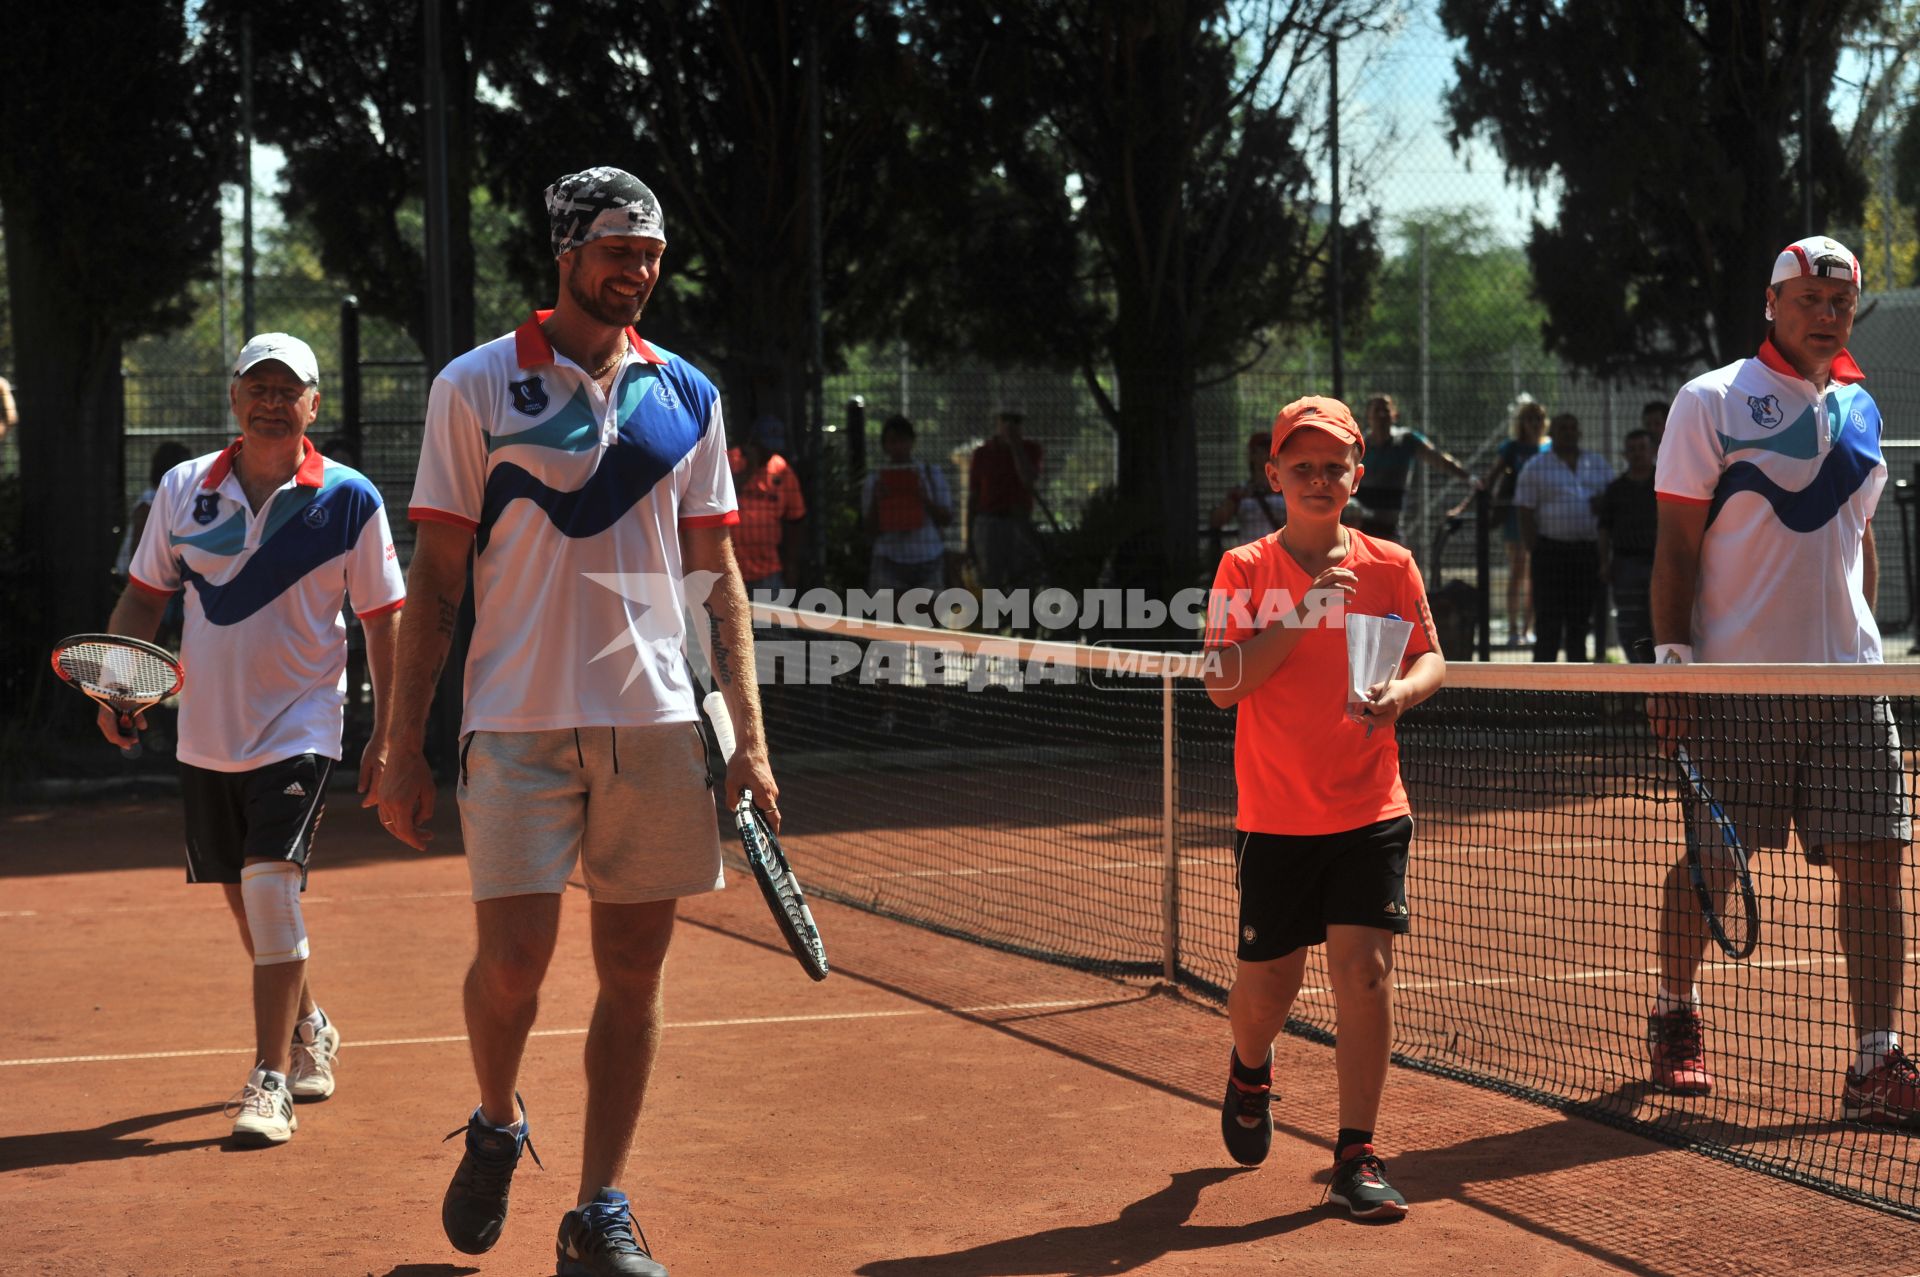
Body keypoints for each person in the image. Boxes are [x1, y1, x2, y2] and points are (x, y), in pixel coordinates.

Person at [374, 166, 778, 1277]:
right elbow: (439, 572)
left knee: (635, 971)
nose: (637, 270)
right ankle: (498, 1118)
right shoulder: (477, 386)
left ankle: (599, 1206)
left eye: (649, 252)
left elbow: (718, 568)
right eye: (616, 250)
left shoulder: (688, 391)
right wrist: (400, 739)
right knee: (513, 961)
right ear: (565, 255)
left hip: (655, 723)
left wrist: (749, 731)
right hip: (513, 720)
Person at [97, 332, 405, 1147]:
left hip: (302, 724)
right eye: (257, 386)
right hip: (206, 732)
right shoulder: (181, 488)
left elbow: (383, 620)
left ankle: (271, 1080)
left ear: (315, 403)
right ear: (235, 398)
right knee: (247, 896)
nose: (272, 400)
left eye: (288, 388)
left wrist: (391, 731)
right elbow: (142, 599)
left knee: (269, 889)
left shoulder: (350, 498)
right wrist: (121, 687)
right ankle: (310, 1024)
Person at [1646, 234, 1918, 1125]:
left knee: (1879, 864)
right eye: (1809, 298)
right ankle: (1676, 1011)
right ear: (1773, 303)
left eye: (1841, 302)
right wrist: (1673, 665)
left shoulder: (1862, 411)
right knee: (1713, 863)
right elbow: (1677, 550)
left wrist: (1863, 641)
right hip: (1735, 686)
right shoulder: (1711, 402)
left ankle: (1876, 1059)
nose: (1826, 313)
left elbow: (1859, 540)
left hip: (1850, 687)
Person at [1202, 396, 1445, 1220]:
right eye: (1301, 466)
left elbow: (1431, 657)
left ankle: (1356, 1155)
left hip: (1370, 804)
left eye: (1333, 465)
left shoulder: (1392, 564)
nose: (1318, 478)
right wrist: (1302, 613)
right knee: (1268, 987)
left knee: (1364, 974)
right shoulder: (1244, 570)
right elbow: (1221, 685)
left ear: (1356, 476)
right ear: (1272, 475)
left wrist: (1401, 696)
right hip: (1274, 814)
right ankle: (1248, 1066)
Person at [1512, 412, 1612, 661]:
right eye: (1562, 428)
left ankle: (1577, 689)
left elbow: (1612, 497)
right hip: (1550, 553)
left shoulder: (1597, 463)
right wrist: (1533, 546)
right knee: (1548, 623)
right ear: (1552, 433)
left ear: (1579, 432)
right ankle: (1541, 692)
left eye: (1572, 428)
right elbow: (1524, 509)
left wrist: (1604, 504)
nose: (1568, 432)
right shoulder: (1536, 466)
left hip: (1586, 553)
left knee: (1579, 623)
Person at [1473, 397, 1550, 647]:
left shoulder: (1550, 448)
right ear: (1522, 422)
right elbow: (1491, 477)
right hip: (1517, 516)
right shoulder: (1512, 448)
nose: (1535, 423)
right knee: (1517, 571)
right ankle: (1514, 629)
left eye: (1539, 418)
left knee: (1537, 573)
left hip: (1545, 516)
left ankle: (1531, 628)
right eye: (1530, 418)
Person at [1351, 393, 1480, 542]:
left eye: (1385, 410)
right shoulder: (1357, 445)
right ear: (1368, 416)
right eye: (1376, 410)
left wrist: (1470, 478)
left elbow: (1440, 459)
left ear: (1394, 415)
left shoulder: (1407, 441)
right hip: (1359, 528)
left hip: (1390, 527)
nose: (1381, 415)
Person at [863, 413, 952, 594]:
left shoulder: (931, 474)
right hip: (889, 559)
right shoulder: (874, 481)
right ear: (885, 446)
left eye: (902, 441)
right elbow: (868, 529)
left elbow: (947, 518)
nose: (898, 447)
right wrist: (877, 501)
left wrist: (924, 498)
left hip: (928, 557)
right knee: (888, 621)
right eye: (892, 442)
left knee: (926, 619)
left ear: (912, 442)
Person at [1595, 428, 1658, 662]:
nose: (1638, 454)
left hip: (1658, 563)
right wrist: (1604, 562)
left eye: (1642, 448)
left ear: (1652, 451)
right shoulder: (1616, 489)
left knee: (1660, 618)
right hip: (1625, 565)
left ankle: (1663, 672)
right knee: (1630, 621)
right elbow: (1604, 529)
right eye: (1632, 450)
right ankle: (1636, 670)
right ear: (1625, 455)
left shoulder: (1664, 482)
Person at [968, 406, 1044, 593]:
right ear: (998, 422)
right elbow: (974, 496)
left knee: (1022, 580)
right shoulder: (982, 453)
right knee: (992, 582)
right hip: (989, 522)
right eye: (1006, 420)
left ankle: (1021, 620)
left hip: (1018, 522)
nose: (1010, 425)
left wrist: (1016, 446)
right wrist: (970, 538)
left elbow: (1028, 480)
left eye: (1016, 421)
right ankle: (995, 619)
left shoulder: (1031, 450)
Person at [730, 414, 806, 595]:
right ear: (753, 441)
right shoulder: (731, 461)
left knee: (771, 623)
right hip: (728, 568)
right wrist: (749, 469)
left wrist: (791, 564)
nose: (768, 452)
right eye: (764, 446)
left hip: (768, 570)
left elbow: (796, 519)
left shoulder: (781, 469)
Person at [1209, 430, 1287, 548]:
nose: (1267, 454)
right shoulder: (1241, 491)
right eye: (1262, 450)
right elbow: (1216, 521)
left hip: (1280, 556)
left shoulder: (1287, 490)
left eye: (1271, 450)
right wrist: (1236, 498)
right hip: (1250, 557)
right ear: (1252, 455)